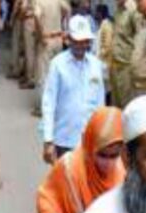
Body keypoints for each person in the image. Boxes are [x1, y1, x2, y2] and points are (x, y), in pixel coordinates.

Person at [37, 106, 126, 213]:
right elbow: (45, 196)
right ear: (90, 146)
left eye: (114, 156)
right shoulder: (69, 168)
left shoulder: (123, 174)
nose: (108, 163)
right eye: (102, 155)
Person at [41, 15, 105, 164]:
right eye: (77, 41)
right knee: (64, 184)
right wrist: (48, 140)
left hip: (89, 140)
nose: (82, 45)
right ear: (68, 39)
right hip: (64, 139)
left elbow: (100, 104)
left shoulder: (96, 65)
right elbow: (48, 103)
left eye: (85, 42)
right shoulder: (57, 65)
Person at [32, 0, 70, 114]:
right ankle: (56, 105)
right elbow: (67, 9)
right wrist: (63, 25)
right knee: (56, 73)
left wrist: (40, 34)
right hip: (58, 38)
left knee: (43, 75)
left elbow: (36, 16)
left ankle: (43, 109)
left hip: (46, 39)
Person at [108, 0, 136, 107]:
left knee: (127, 107)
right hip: (115, 65)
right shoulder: (118, 10)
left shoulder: (133, 10)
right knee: (116, 107)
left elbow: (140, 37)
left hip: (127, 68)